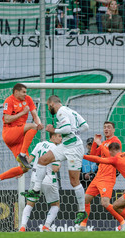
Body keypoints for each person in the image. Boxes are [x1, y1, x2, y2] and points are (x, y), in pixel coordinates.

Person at [21, 95, 89, 225]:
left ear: (52, 104)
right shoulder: (71, 111)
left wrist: (54, 130)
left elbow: (67, 129)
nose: (48, 108)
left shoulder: (61, 112)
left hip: (74, 149)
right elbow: (85, 126)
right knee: (42, 160)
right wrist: (75, 133)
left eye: (48, 106)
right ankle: (35, 190)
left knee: (74, 181)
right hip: (66, 145)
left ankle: (81, 210)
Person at [0, 83, 42, 193]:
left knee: (25, 168)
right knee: (32, 126)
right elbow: (7, 119)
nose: (25, 94)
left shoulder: (28, 99)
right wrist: (23, 113)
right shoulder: (9, 100)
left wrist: (39, 123)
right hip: (10, 133)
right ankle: (22, 155)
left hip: (19, 136)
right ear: (16, 92)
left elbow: (35, 115)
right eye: (23, 92)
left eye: (26, 92)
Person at [78, 122, 125, 231]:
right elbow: (93, 155)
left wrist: (100, 143)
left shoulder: (115, 141)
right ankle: (83, 226)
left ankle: (123, 222)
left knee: (104, 203)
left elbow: (111, 156)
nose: (106, 129)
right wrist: (95, 142)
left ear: (113, 130)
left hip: (108, 177)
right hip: (98, 176)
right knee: (85, 199)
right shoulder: (104, 142)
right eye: (104, 127)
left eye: (109, 127)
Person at [19, 133, 63, 232]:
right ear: (53, 137)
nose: (61, 139)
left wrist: (20, 171)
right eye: (59, 136)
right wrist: (59, 163)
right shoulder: (57, 149)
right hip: (48, 179)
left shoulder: (40, 144)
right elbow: (55, 169)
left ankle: (22, 226)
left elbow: (29, 160)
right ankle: (46, 226)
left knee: (29, 204)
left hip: (35, 178)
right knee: (55, 204)